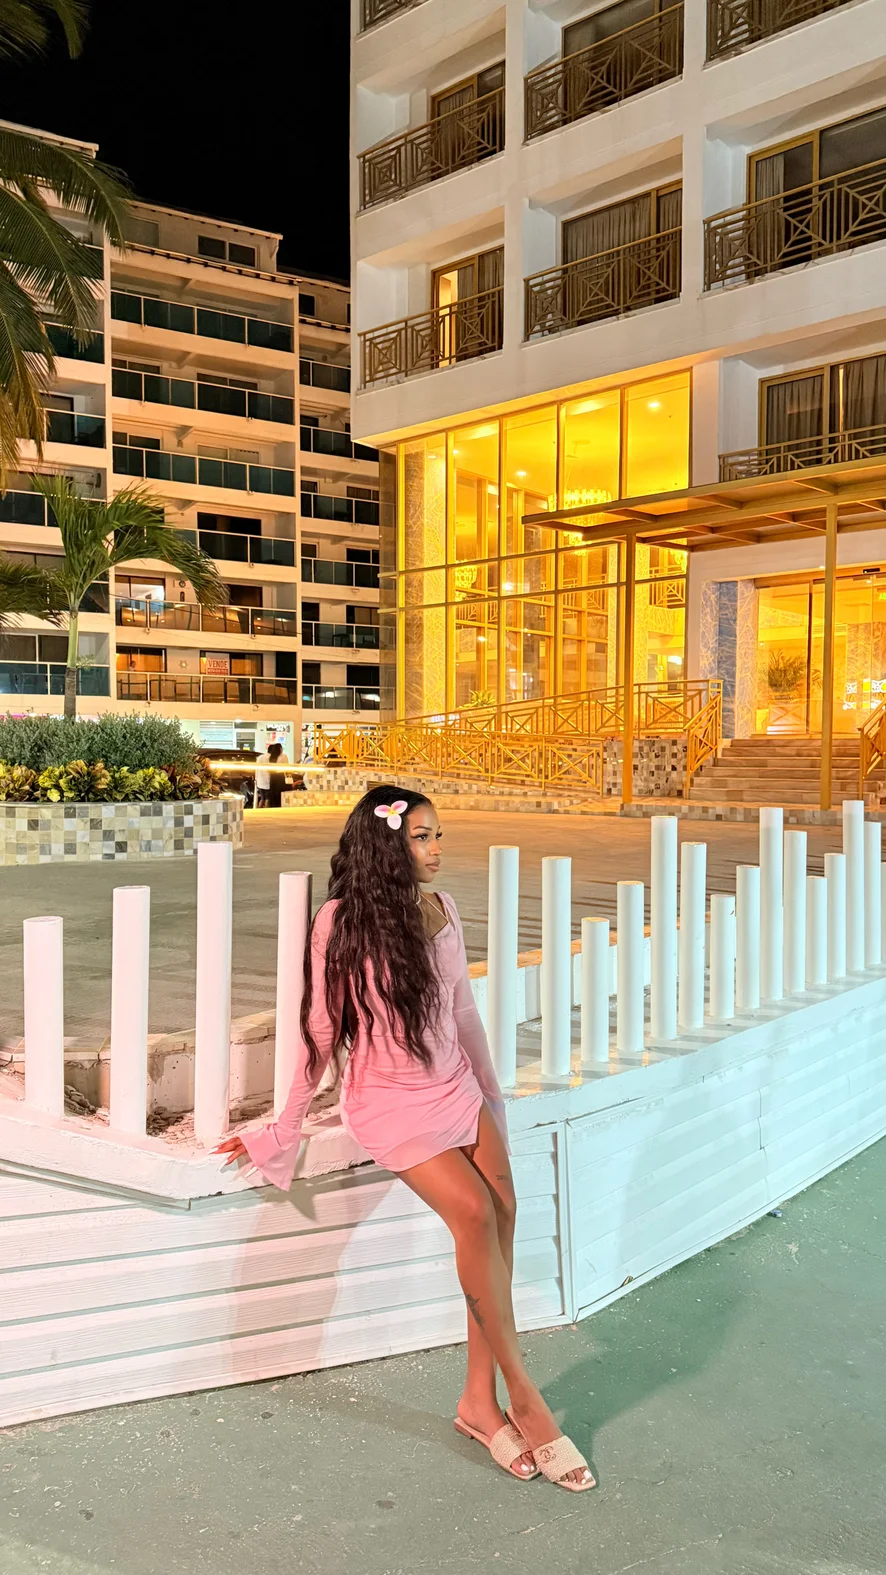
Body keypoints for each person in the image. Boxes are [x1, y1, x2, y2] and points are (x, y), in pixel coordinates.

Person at [214, 784, 594, 1492]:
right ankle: (524, 1396)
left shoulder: (441, 908)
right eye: (421, 837)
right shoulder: (339, 923)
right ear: (387, 846)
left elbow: (464, 1012)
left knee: (504, 1216)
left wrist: (491, 1100)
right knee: (474, 1214)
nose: (436, 848)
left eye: (436, 834)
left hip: (457, 1088)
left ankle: (477, 1402)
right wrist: (283, 1125)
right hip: (390, 1102)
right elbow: (319, 1031)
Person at [255, 740, 288, 808]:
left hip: (260, 782)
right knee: (268, 799)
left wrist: (256, 779)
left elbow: (256, 769)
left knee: (262, 798)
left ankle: (258, 810)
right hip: (267, 782)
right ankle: (267, 810)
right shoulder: (272, 757)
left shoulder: (260, 757)